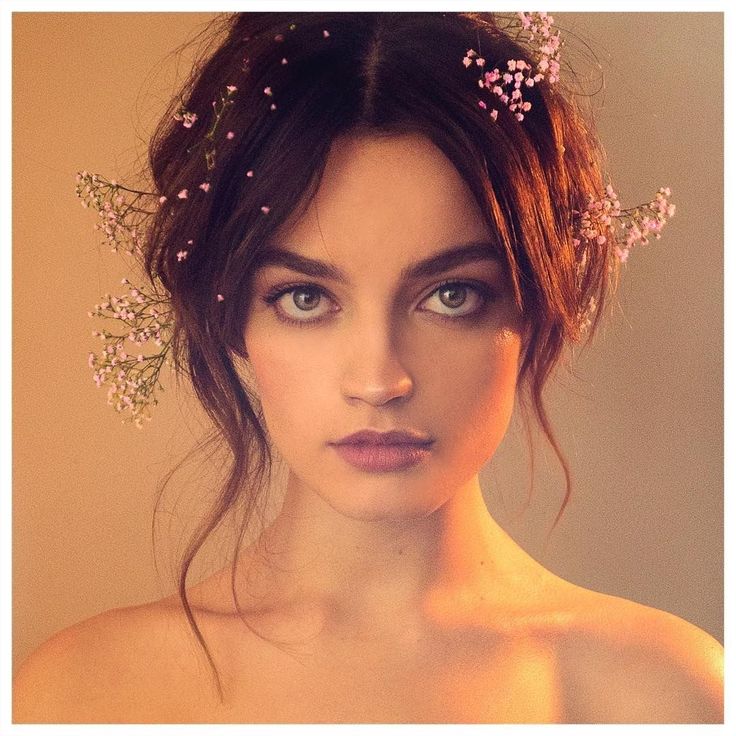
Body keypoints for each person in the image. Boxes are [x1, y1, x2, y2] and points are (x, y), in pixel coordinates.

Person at [13, 11, 722, 724]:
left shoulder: (665, 695)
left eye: (451, 296)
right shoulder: (84, 694)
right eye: (306, 297)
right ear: (229, 317)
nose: (380, 380)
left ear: (539, 307)